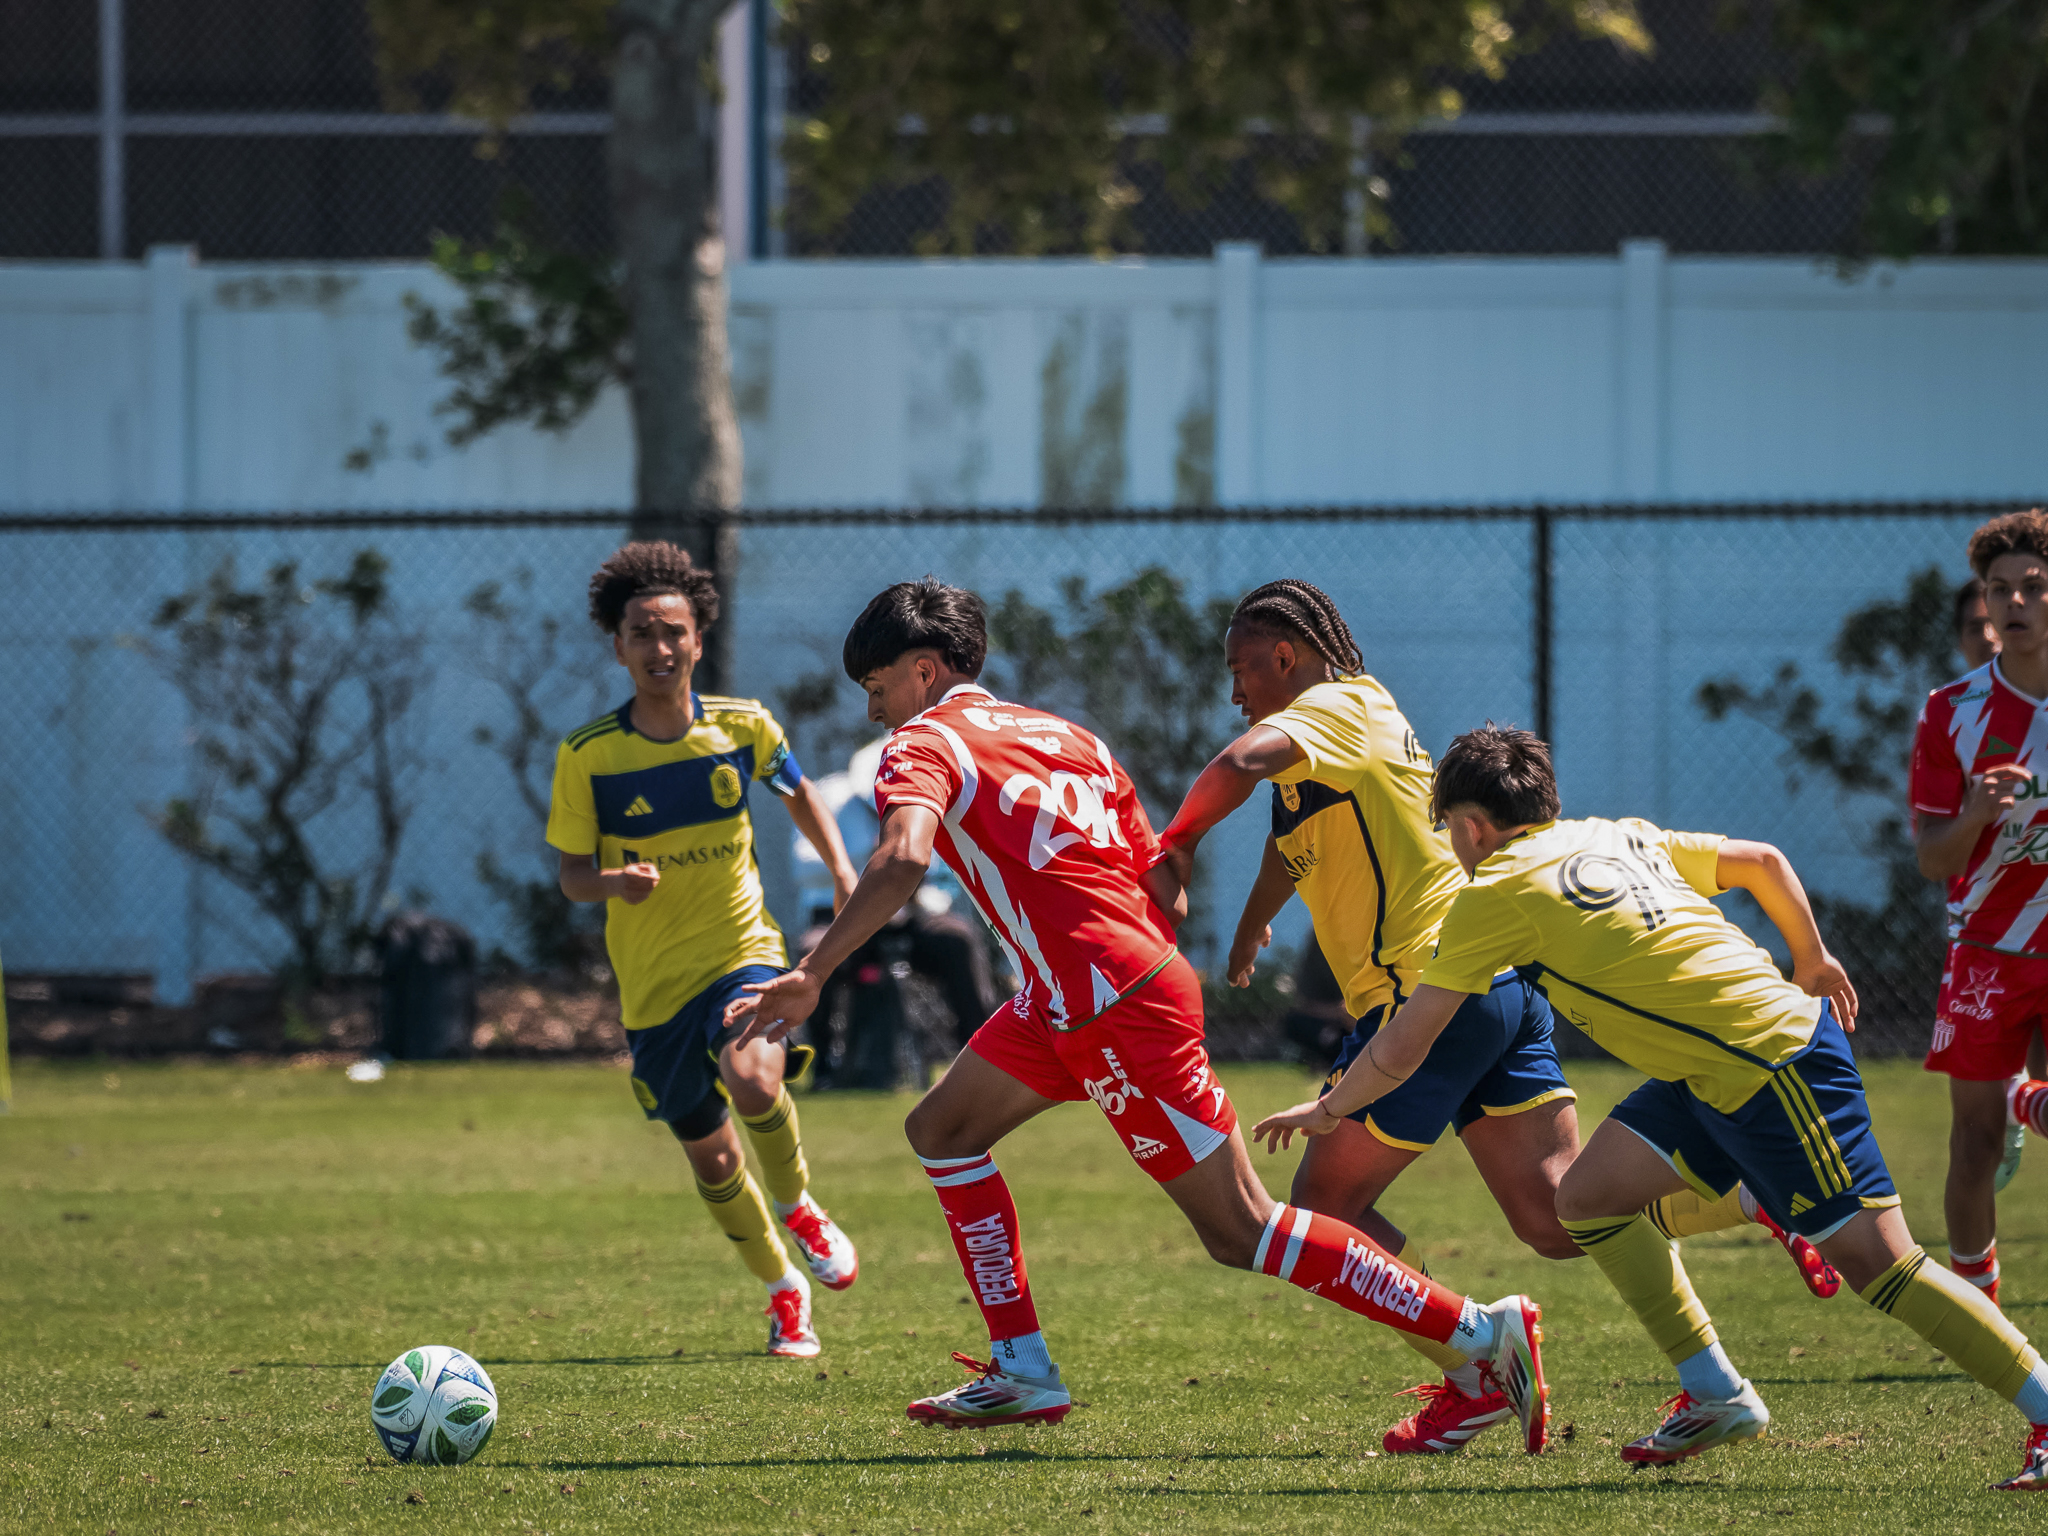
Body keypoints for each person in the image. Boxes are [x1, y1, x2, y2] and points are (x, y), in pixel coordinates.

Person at [727, 579, 1551, 1448]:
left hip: (1108, 1001)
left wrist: (814, 971)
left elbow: (901, 857)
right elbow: (1162, 876)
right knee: (942, 1129)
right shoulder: (1067, 736)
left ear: (926, 672)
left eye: (880, 687)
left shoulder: (923, 743)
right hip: (1079, 995)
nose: (876, 711)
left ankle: (1478, 1335)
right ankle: (1022, 1369)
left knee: (1242, 1229)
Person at [1257, 724, 2048, 1489]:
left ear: (1469, 827)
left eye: (1448, 833)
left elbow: (1404, 1044)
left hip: (1772, 1068)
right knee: (1586, 1200)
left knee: (1887, 1269)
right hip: (1710, 1070)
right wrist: (1813, 958)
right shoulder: (1613, 833)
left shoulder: (1492, 889)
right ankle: (1715, 1390)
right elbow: (1762, 861)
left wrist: (1328, 1110)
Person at [1158, 580, 1830, 1458]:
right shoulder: (1326, 750)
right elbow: (1293, 839)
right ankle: (1745, 1220)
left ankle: (1473, 1370)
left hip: (1430, 997)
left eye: (1242, 669)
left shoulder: (1338, 706)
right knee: (1557, 1217)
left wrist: (1175, 844)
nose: (1235, 691)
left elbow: (1236, 765)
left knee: (1325, 1204)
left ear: (1286, 657)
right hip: (1495, 991)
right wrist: (1251, 923)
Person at [547, 542, 863, 1359]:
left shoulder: (742, 727)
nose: (661, 649)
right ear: (617, 646)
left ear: (699, 639)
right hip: (654, 991)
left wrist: (839, 869)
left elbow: (801, 794)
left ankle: (799, 1205)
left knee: (753, 1075)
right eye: (642, 633)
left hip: (741, 950)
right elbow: (573, 878)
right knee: (714, 1155)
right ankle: (783, 1290)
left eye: (674, 632)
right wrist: (617, 883)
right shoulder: (590, 756)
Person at [1917, 513, 2048, 1304]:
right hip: (1988, 952)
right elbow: (1934, 859)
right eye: (2001, 589)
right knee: (1974, 1145)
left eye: (2033, 586)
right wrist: (1973, 815)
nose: (2015, 602)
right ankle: (1980, 1308)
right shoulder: (1953, 711)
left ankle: (2026, 1093)